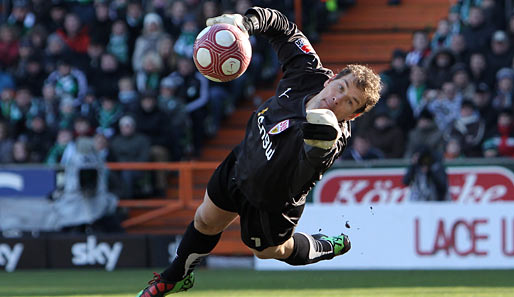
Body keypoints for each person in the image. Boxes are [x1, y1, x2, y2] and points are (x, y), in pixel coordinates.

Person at [136, 7, 381, 296]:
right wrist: (243, 24)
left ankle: (324, 245)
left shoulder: (331, 137)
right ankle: (175, 278)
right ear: (331, 80)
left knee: (270, 251)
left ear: (353, 116)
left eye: (349, 102)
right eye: (340, 87)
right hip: (243, 160)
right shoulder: (308, 73)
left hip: (272, 201)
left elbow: (310, 162)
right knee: (204, 220)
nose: (337, 99)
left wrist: (319, 141)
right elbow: (283, 27)